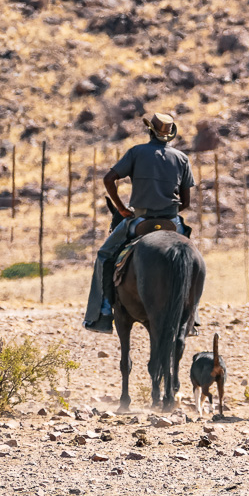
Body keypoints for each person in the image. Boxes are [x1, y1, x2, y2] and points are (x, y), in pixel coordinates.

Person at [84, 113, 194, 332]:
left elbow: (108, 179)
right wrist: (168, 212)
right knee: (189, 259)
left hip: (140, 219)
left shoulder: (136, 152)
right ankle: (191, 319)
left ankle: (103, 313)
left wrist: (123, 209)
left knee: (104, 255)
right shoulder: (182, 159)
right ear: (170, 135)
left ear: (150, 131)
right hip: (172, 220)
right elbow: (186, 202)